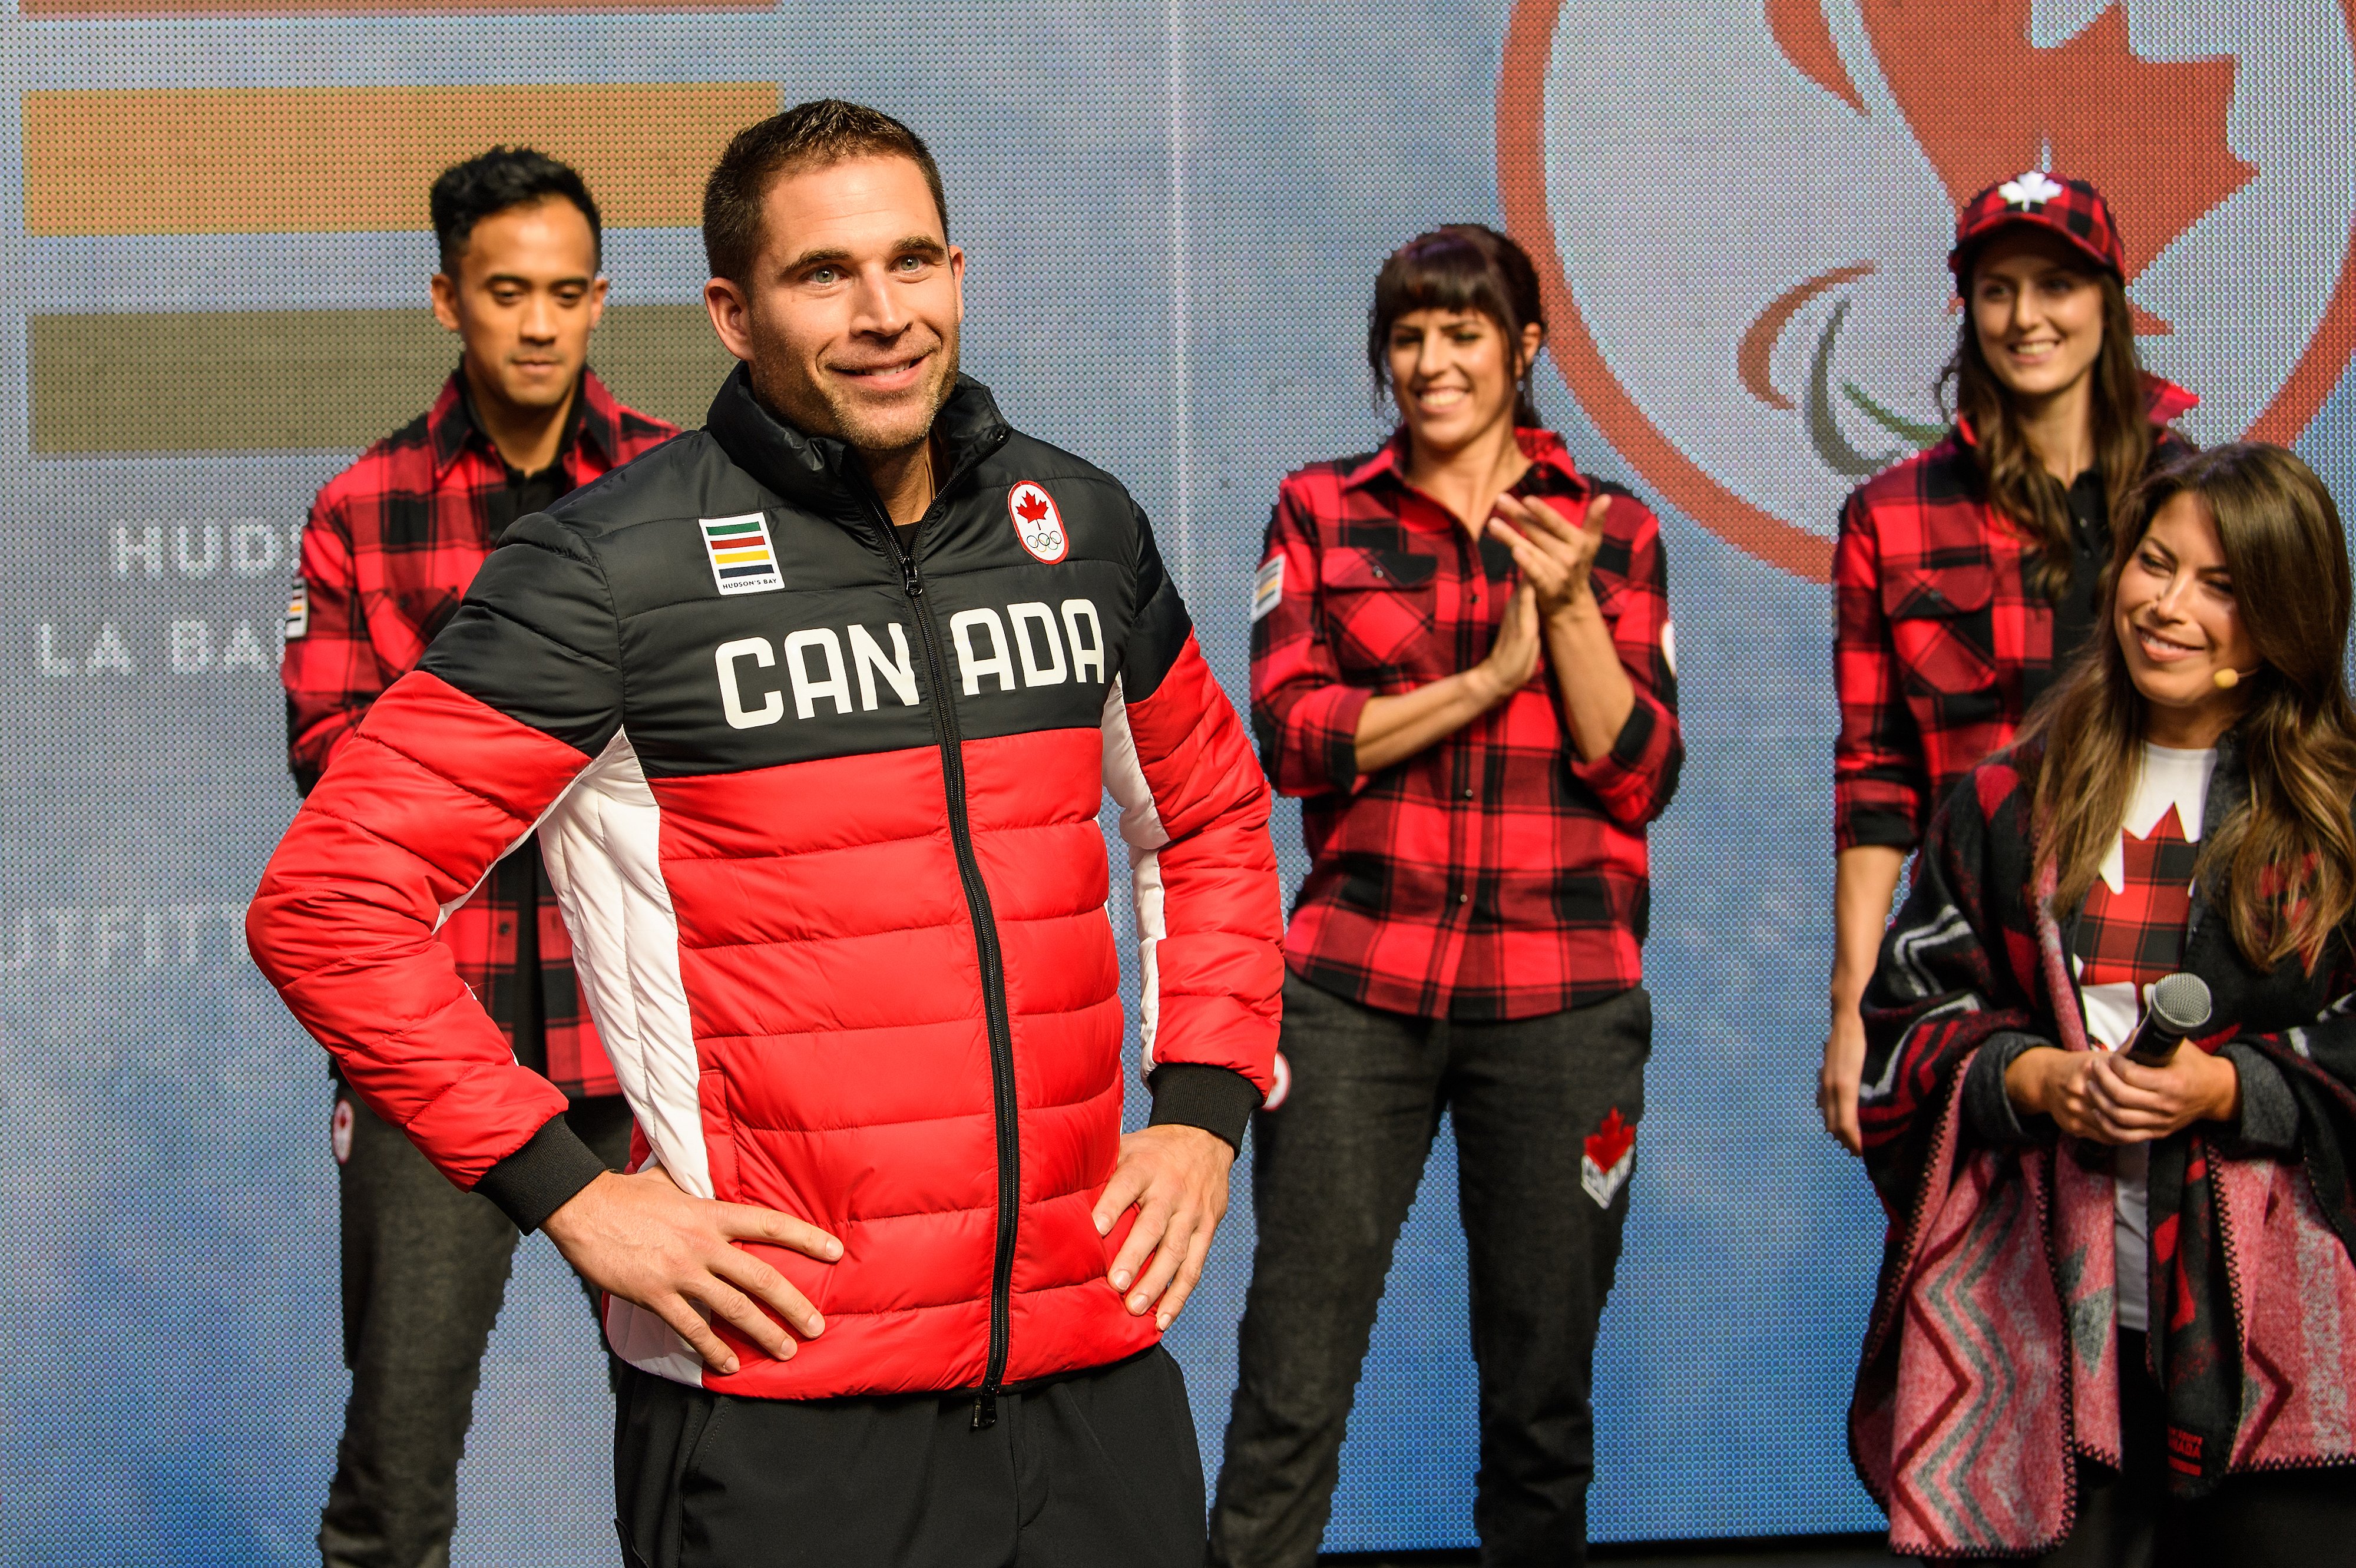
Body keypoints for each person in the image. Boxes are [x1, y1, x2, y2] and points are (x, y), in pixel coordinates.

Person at [250, 99, 1282, 1568]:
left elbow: (1212, 819)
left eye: (911, 262)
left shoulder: (1083, 527)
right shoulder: (610, 564)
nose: (883, 315)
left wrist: (1200, 1103)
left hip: (1087, 1370)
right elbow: (329, 903)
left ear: (959, 273)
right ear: (732, 311)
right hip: (786, 1394)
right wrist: (577, 1195)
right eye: (824, 276)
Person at [1212, 224, 1682, 1567]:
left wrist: (1572, 615)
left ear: (1522, 349)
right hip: (1355, 993)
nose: (1430, 362)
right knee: (1288, 1379)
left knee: (1541, 1398)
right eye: (1408, 336)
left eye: (1462, 333)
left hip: (1560, 999)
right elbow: (1293, 733)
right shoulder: (1322, 510)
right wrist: (1482, 681)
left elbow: (1639, 772)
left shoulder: (1611, 528)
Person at [277, 145, 678, 1568]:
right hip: (426, 1052)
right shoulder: (362, 506)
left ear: (600, 299)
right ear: (446, 297)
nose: (539, 324)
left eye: (567, 293)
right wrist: (573, 732)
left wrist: (467, 739)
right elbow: (340, 776)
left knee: (708, 1463)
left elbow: (718, 764)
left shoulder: (678, 487)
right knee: (393, 1484)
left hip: (645, 1045)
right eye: (506, 291)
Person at [1851, 442, 2356, 1564]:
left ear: (2283, 621)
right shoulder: (2005, 801)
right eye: (2154, 564)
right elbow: (1902, 1028)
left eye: (2221, 587)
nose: (2169, 606)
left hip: (2289, 1370)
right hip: (2048, 1340)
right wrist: (2030, 1078)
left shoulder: (2341, 819)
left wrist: (2229, 1087)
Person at [1822, 174, 2196, 1153]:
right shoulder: (1891, 516)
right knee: (1978, 1273)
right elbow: (1875, 781)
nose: (2026, 317)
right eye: (1997, 289)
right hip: (1976, 950)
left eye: (2056, 286)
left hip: (2168, 919)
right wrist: (1857, 1005)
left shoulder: (2190, 491)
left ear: (2109, 302)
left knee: (2167, 1261)